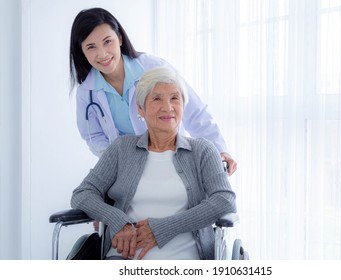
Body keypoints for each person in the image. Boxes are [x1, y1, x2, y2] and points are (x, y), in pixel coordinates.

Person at [71, 67, 236, 260]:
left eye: (175, 98)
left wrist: (162, 228)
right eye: (157, 99)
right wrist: (117, 220)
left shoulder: (203, 150)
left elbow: (225, 200)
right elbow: (83, 193)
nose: (168, 107)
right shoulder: (122, 149)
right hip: (124, 257)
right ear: (141, 108)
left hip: (184, 258)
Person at [69, 7, 237, 175]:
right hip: (128, 170)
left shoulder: (154, 68)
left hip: (172, 160)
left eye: (107, 41)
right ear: (82, 51)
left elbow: (194, 113)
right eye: (91, 47)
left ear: (119, 38)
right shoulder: (87, 92)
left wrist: (219, 150)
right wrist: (114, 159)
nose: (102, 53)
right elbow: (94, 135)